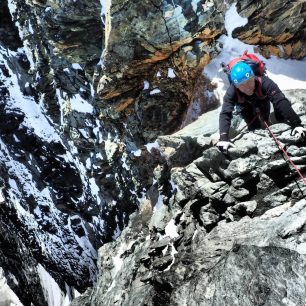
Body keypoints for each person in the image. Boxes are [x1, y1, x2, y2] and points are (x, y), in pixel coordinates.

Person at [217, 61, 306, 152]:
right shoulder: (231, 93)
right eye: (242, 85)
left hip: (262, 99)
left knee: (268, 116)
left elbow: (280, 100)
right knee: (253, 126)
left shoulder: (265, 82)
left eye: (249, 82)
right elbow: (225, 113)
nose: (247, 87)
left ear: (253, 77)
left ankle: (275, 121)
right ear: (236, 86)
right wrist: (223, 137)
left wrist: (296, 124)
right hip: (245, 105)